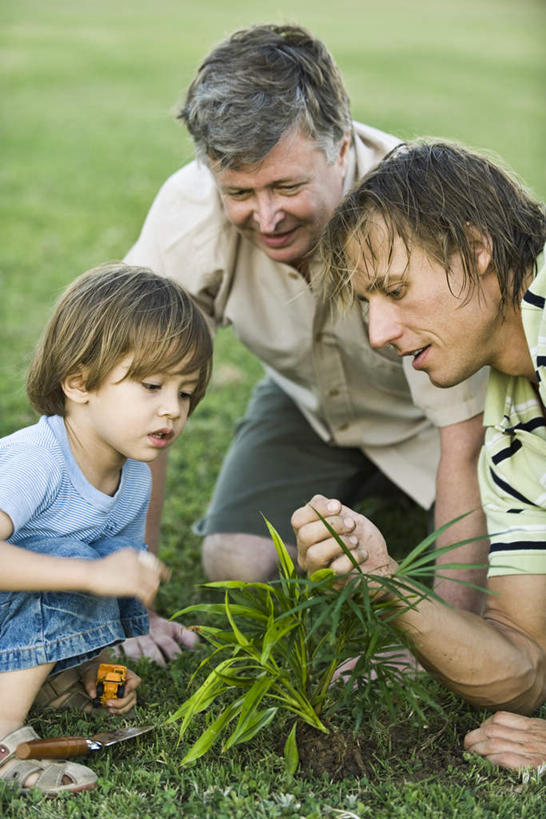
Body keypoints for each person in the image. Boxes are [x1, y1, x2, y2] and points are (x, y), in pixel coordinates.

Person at [123, 23, 490, 666]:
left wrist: (446, 645)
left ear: (342, 145)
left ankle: (400, 516)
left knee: (483, 547)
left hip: (442, 422)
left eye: (287, 187)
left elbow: (464, 441)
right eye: (239, 192)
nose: (265, 219)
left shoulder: (414, 214)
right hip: (308, 406)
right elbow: (135, 401)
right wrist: (133, 600)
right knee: (233, 560)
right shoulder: (188, 214)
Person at [292, 139, 546, 771]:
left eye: (396, 290)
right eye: (368, 304)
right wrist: (383, 582)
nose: (379, 333)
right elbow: (524, 670)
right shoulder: (513, 414)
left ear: (475, 249)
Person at [0, 263, 212, 794]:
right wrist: (92, 575)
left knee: (101, 559)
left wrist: (91, 665)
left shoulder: (133, 477)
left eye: (186, 393)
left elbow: (96, 576)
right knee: (77, 560)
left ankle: (51, 681)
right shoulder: (35, 461)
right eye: (152, 385)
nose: (173, 409)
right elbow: (77, 572)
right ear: (78, 382)